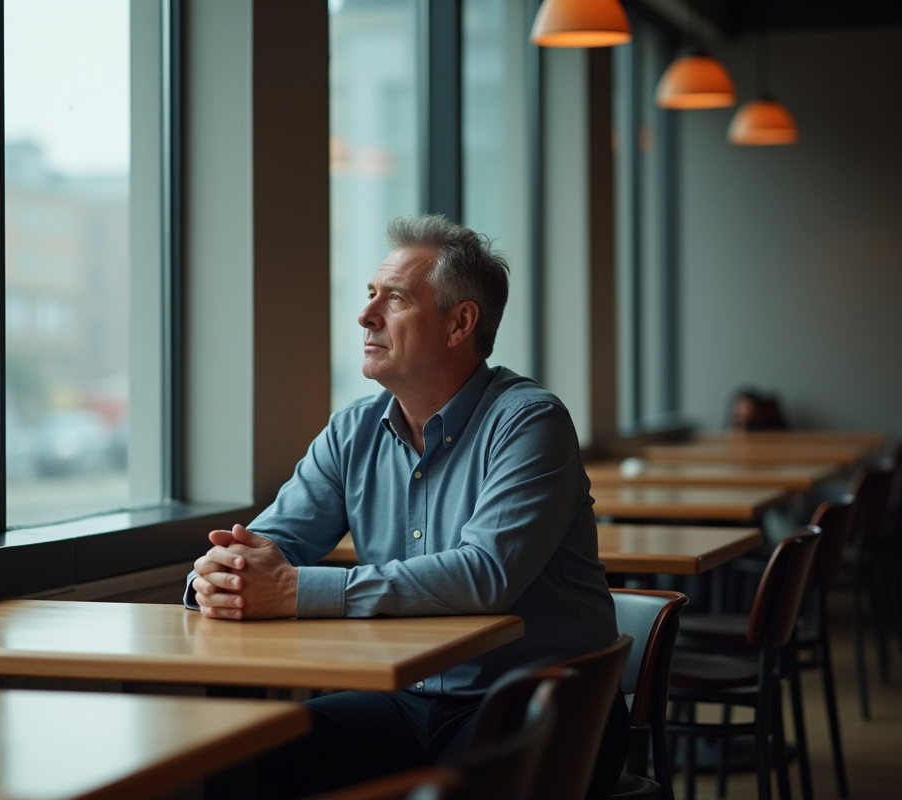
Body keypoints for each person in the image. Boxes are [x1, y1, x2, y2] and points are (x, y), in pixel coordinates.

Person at [185, 214, 624, 797]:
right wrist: (219, 576)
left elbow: (485, 574)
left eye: (393, 299)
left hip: (541, 701)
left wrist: (291, 591)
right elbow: (267, 547)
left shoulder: (529, 422)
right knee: (240, 758)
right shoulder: (351, 433)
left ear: (459, 323)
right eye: (370, 296)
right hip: (404, 700)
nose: (366, 316)